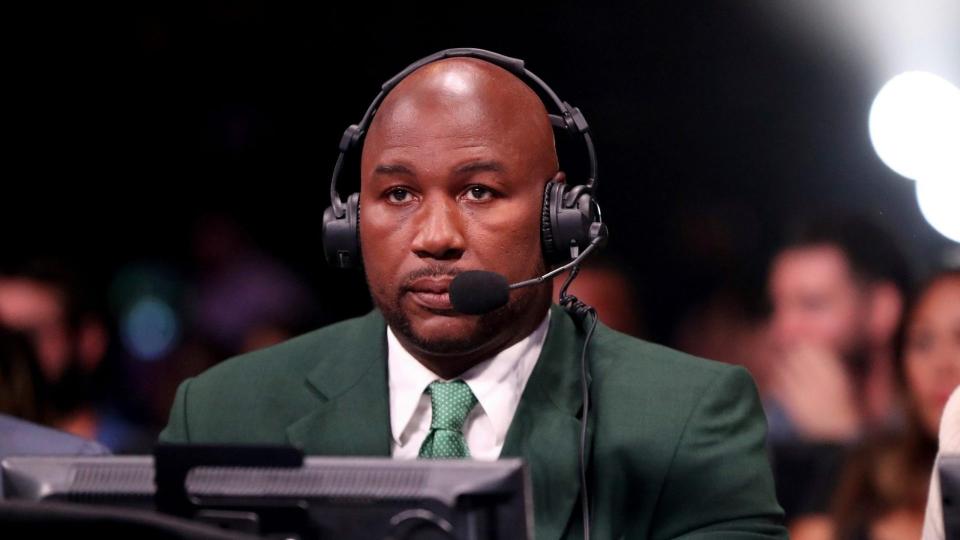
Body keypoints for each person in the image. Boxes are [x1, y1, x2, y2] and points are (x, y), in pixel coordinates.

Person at [160, 49, 785, 539]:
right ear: (349, 222)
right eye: (398, 195)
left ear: (557, 216)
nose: (435, 238)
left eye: (478, 191)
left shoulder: (686, 417)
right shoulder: (222, 413)